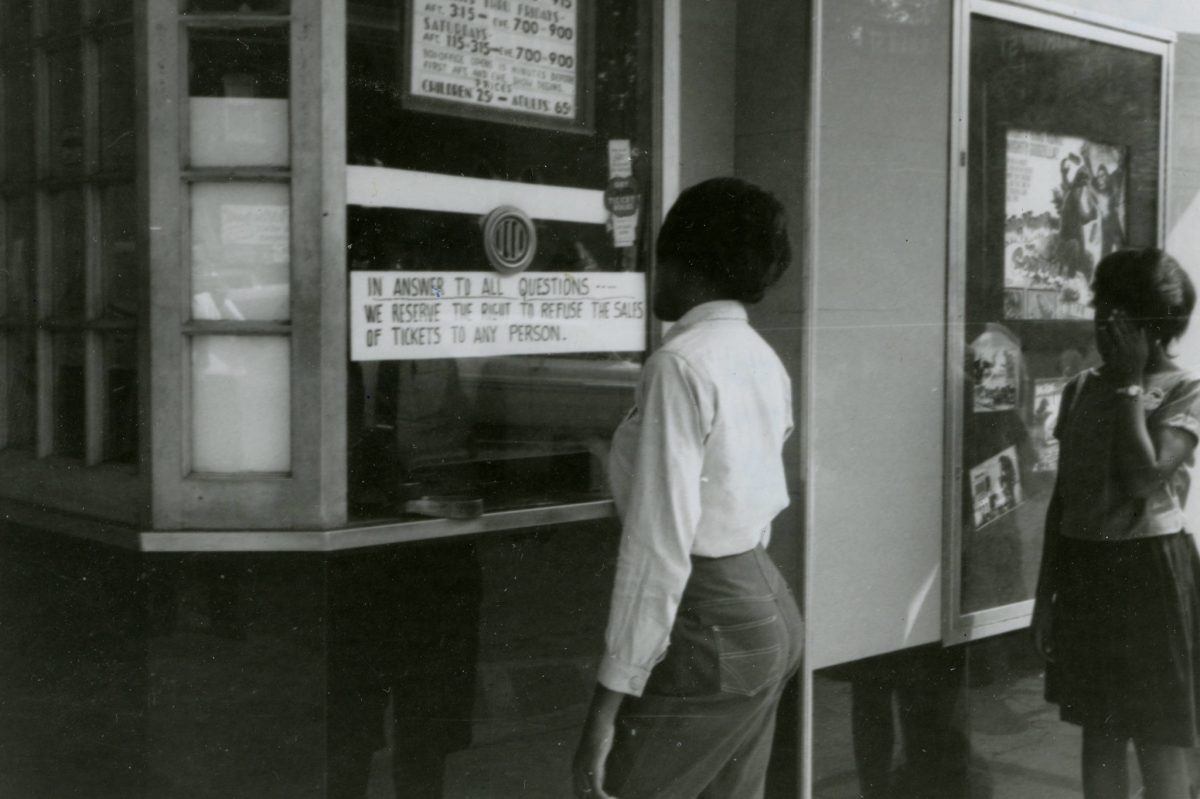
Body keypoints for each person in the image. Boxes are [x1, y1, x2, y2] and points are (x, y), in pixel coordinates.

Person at [572, 178, 803, 799]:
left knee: (614, 789)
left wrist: (605, 707)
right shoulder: (759, 356)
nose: (654, 274)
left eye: (661, 257)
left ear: (691, 264)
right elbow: (736, 487)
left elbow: (659, 544)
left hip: (711, 627)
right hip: (764, 603)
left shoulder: (678, 364)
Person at [1032, 247, 1200, 799]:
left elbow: (1145, 479)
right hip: (1087, 571)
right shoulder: (1081, 387)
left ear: (1146, 321)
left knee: (1158, 737)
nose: (1099, 320)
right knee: (1099, 733)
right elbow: (1063, 501)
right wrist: (1043, 600)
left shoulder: (1185, 390)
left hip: (1150, 573)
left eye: (1112, 309)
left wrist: (1130, 386)